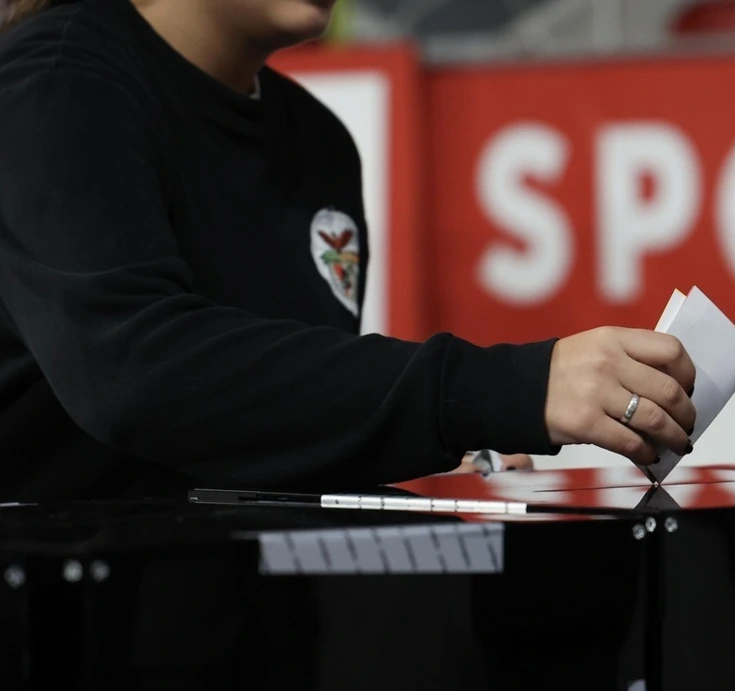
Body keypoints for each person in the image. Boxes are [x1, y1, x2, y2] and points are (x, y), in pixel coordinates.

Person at [0, 0, 698, 503]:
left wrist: (429, 449)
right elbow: (133, 373)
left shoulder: (317, 139)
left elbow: (256, 429)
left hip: (232, 637)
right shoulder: (57, 81)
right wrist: (509, 388)